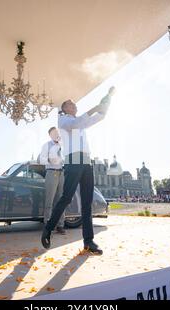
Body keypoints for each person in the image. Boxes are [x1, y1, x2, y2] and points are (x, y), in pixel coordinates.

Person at [41, 87, 116, 255]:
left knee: (87, 203)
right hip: (73, 161)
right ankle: (48, 229)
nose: (74, 106)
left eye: (75, 104)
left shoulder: (81, 122)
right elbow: (77, 123)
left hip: (86, 161)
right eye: (71, 104)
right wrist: (95, 108)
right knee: (66, 197)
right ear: (64, 108)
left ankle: (88, 242)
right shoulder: (63, 121)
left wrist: (107, 98)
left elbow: (101, 116)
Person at [38, 127, 66, 235]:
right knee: (50, 200)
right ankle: (47, 225)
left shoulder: (63, 146)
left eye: (57, 132)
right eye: (54, 133)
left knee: (61, 200)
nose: (56, 134)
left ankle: (60, 225)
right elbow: (41, 159)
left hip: (62, 173)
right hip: (51, 172)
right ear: (50, 135)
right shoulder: (46, 145)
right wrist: (50, 160)